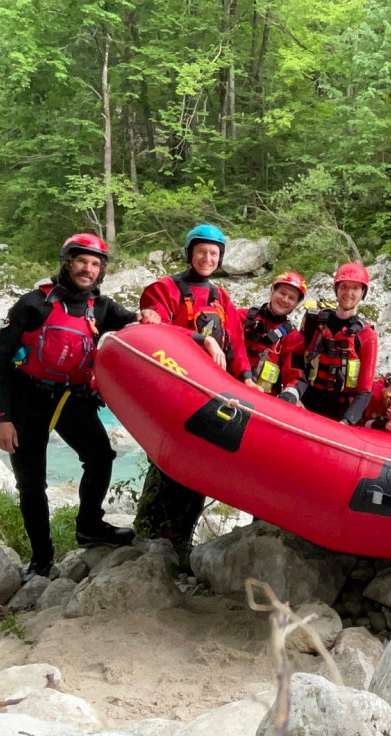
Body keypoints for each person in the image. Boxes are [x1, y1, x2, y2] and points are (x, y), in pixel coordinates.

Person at [0, 234, 160, 581]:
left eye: (95, 264)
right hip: (28, 399)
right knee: (32, 483)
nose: (88, 269)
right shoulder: (32, 304)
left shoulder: (101, 307)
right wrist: (2, 419)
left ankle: (89, 525)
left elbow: (134, 326)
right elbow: (0, 361)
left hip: (72, 399)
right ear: (67, 262)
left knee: (100, 457)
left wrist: (149, 315)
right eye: (82, 261)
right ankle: (41, 560)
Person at [134, 224, 255, 565]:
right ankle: (148, 539)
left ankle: (180, 545)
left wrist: (246, 377)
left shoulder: (221, 298)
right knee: (167, 464)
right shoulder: (164, 289)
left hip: (209, 396)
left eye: (214, 254)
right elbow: (155, 331)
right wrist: (203, 340)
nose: (207, 258)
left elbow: (237, 344)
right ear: (189, 253)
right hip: (174, 393)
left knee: (198, 468)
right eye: (201, 252)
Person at [297, 262, 379, 425]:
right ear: (336, 289)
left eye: (355, 288)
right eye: (344, 286)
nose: (348, 293)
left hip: (340, 411)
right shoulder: (313, 321)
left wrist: (347, 421)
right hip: (306, 400)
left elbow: (365, 390)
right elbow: (296, 362)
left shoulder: (367, 336)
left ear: (363, 292)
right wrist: (294, 395)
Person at [243, 271, 308, 400]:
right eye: (282, 293)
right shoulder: (243, 317)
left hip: (262, 400)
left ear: (296, 304)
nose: (285, 300)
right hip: (229, 385)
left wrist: (290, 396)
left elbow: (295, 376)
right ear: (272, 291)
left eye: (291, 298)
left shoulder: (293, 338)